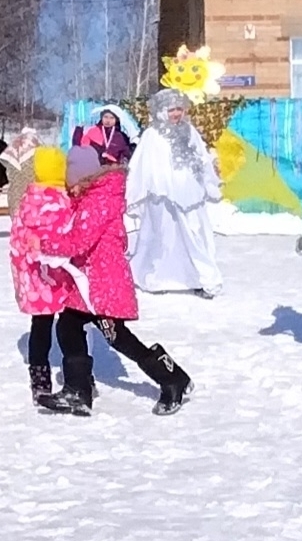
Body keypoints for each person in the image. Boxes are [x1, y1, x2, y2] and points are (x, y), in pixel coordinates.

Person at [37, 146, 194, 417]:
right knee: (68, 325)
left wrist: (42, 243)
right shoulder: (92, 198)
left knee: (119, 338)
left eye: (71, 183)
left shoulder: (98, 200)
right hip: (90, 283)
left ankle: (172, 379)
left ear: (83, 178)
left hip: (103, 285)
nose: (69, 189)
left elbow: (78, 241)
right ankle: (78, 390)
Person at [126, 88, 223, 299]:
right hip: (162, 197)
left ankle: (201, 279)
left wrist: (209, 183)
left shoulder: (189, 131)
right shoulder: (152, 135)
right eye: (172, 110)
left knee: (195, 235)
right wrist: (141, 191)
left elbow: (202, 158)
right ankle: (157, 278)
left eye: (179, 109)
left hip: (191, 194)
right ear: (162, 111)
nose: (176, 114)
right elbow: (141, 165)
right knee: (162, 237)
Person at [8, 146, 74, 404]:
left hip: (36, 280)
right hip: (64, 276)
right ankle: (77, 374)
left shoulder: (28, 201)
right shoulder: (67, 201)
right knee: (71, 327)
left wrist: (23, 277)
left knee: (41, 326)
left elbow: (16, 243)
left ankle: (39, 376)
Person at [0, 127, 39, 217]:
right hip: (33, 196)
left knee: (17, 223)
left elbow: (9, 173)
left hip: (15, 194)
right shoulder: (37, 152)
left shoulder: (14, 150)